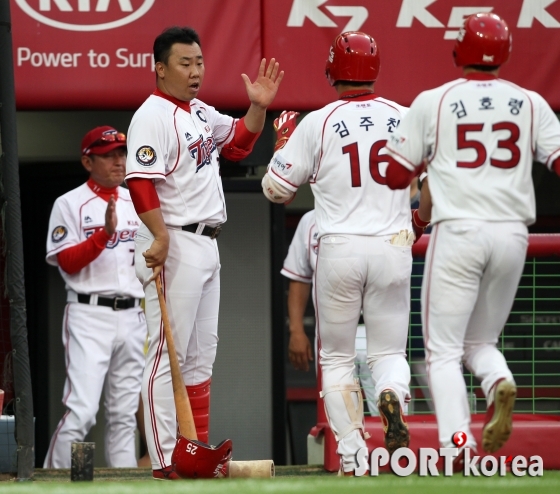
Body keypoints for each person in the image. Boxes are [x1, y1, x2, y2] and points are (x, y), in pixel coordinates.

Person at [384, 12, 560, 460]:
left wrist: (429, 161)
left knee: (442, 351)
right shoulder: (531, 101)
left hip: (459, 230)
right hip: (513, 234)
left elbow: (393, 174)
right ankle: (498, 381)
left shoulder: (435, 100)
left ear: (458, 49)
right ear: (506, 53)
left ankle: (457, 442)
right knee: (480, 343)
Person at [124, 26, 283, 480]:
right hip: (171, 238)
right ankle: (163, 461)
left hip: (206, 242)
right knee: (164, 356)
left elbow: (236, 143)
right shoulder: (150, 115)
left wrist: (257, 107)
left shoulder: (196, 110)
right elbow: (140, 180)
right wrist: (158, 235)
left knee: (199, 356)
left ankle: (194, 452)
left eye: (199, 63)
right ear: (159, 67)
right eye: (184, 64)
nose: (195, 72)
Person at [262, 31, 423, 475]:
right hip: (393, 244)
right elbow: (434, 183)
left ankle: (354, 454)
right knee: (389, 353)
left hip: (338, 247)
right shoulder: (406, 116)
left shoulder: (318, 121)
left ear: (332, 69)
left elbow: (275, 190)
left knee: (335, 357)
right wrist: (420, 220)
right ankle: (391, 393)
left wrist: (281, 143)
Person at [44, 126, 146, 468]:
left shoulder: (138, 200)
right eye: (109, 155)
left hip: (133, 314)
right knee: (83, 411)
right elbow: (68, 263)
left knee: (123, 414)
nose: (119, 161)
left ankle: (124, 486)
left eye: (121, 153)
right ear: (88, 161)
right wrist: (104, 234)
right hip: (89, 313)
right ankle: (57, 481)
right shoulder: (69, 203)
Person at [281, 208, 379, 415]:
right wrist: (296, 331)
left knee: (384, 411)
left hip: (377, 328)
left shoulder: (381, 211)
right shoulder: (311, 220)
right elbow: (299, 277)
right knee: (337, 412)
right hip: (333, 332)